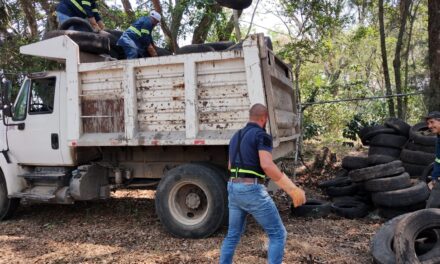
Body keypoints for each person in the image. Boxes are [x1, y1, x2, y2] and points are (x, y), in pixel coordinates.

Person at [219, 103, 306, 264]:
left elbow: (231, 166)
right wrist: (292, 189)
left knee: (233, 235)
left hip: (233, 187)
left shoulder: (235, 136)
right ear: (264, 118)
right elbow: (267, 165)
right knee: (278, 234)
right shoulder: (262, 135)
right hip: (251, 190)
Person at [426, 111, 440, 208]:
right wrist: (434, 177)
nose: (429, 126)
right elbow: (438, 159)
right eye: (428, 123)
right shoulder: (438, 138)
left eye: (432, 122)